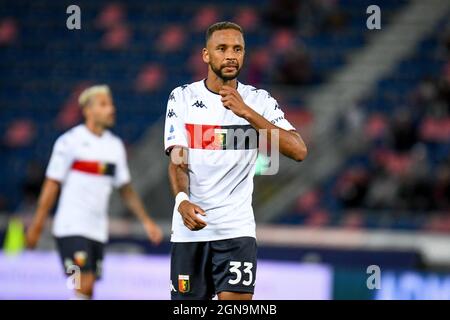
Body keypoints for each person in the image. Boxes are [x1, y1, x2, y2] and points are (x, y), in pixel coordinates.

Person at [164, 21, 307, 300]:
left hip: (235, 230)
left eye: (238, 49)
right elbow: (178, 158)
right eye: (222, 48)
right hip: (190, 230)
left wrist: (247, 113)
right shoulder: (181, 97)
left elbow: (298, 150)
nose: (231, 55)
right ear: (206, 55)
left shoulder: (259, 100)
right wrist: (181, 200)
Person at [26, 85, 163, 299]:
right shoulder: (69, 142)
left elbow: (125, 189)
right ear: (88, 110)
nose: (111, 109)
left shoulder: (115, 146)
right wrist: (37, 223)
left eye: (111, 104)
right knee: (82, 282)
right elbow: (52, 184)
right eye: (104, 104)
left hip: (97, 230)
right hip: (71, 227)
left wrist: (146, 221)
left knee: (88, 289)